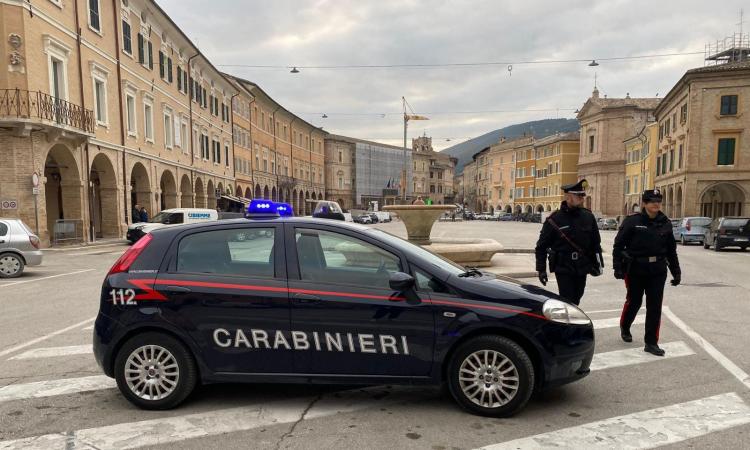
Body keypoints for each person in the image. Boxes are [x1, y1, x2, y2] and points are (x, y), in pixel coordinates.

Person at [613, 189, 681, 357]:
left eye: (658, 200)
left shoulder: (665, 222)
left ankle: (651, 342)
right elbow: (618, 246)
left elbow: (671, 250)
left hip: (657, 270)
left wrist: (676, 272)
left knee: (655, 306)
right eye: (652, 200)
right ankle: (625, 326)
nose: (656, 203)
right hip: (636, 269)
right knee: (634, 301)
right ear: (644, 203)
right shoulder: (632, 221)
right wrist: (617, 268)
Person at [535, 179, 603, 305]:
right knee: (567, 299)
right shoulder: (554, 219)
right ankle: (568, 324)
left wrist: (598, 264)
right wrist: (541, 269)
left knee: (577, 297)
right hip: (564, 266)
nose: (582, 198)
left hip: (582, 265)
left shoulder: (588, 216)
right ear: (568, 196)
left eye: (583, 195)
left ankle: (571, 321)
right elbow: (541, 246)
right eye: (579, 195)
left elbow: (595, 243)